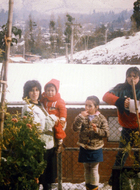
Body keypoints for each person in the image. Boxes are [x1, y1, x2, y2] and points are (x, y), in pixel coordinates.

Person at [102, 66, 140, 186]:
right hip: (127, 128)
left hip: (139, 128)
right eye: (129, 75)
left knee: (139, 155)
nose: (132, 78)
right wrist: (120, 101)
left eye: (135, 76)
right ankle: (115, 179)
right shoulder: (121, 88)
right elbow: (106, 96)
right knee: (122, 154)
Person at [22, 80, 58, 190]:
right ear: (27, 93)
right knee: (38, 178)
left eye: (37, 90)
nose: (34, 93)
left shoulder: (41, 104)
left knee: (48, 180)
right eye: (31, 90)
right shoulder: (27, 107)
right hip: (39, 146)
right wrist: (53, 118)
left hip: (49, 145)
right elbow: (38, 127)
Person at [72, 95, 109, 190]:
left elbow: (106, 133)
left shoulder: (101, 118)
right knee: (86, 168)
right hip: (84, 147)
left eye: (90, 106)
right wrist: (80, 117)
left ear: (96, 107)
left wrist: (97, 130)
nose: (87, 108)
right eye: (86, 105)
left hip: (96, 147)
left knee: (94, 169)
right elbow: (75, 128)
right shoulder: (82, 116)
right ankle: (88, 187)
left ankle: (94, 188)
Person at [40, 78, 67, 151]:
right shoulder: (45, 99)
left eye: (52, 90)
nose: (50, 92)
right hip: (47, 119)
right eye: (48, 90)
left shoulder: (59, 101)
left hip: (56, 119)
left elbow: (63, 110)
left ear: (56, 91)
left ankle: (59, 141)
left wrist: (62, 119)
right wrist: (42, 96)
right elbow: (40, 100)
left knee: (58, 129)